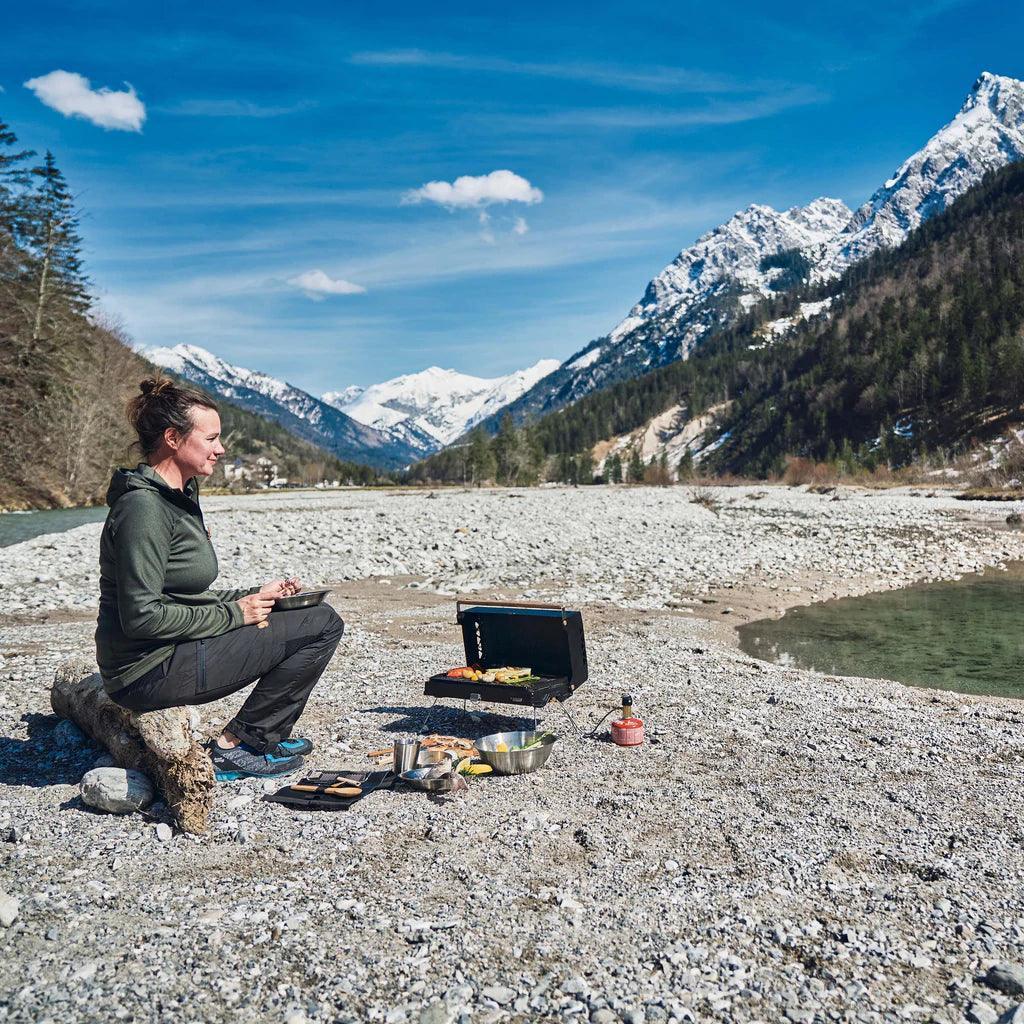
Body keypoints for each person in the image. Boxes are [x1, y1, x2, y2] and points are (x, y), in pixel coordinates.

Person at [94, 377, 344, 781]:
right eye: (211, 438)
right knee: (321, 624)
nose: (221, 448)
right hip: (144, 672)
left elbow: (182, 595)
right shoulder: (144, 509)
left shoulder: (177, 497)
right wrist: (236, 614)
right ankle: (240, 746)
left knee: (311, 616)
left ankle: (262, 735)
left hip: (167, 653)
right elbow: (142, 617)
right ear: (173, 437)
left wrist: (255, 596)